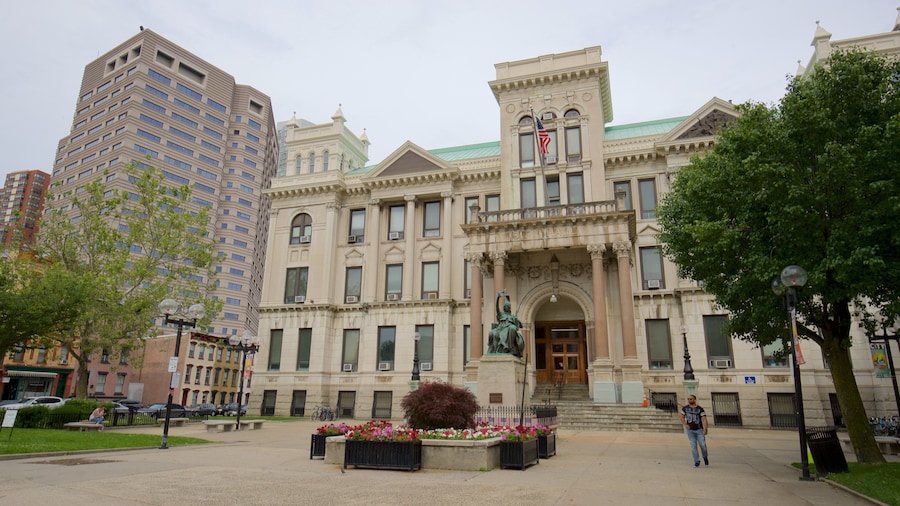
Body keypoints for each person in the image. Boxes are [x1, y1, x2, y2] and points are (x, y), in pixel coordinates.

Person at [679, 395, 708, 467]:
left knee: (702, 445)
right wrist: (685, 424)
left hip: (699, 429)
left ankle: (705, 456)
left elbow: (704, 419)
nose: (689, 400)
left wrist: (705, 428)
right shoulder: (685, 408)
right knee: (693, 446)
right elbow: (681, 416)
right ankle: (696, 461)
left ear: (694, 399)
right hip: (690, 430)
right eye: (688, 399)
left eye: (691, 399)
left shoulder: (700, 409)